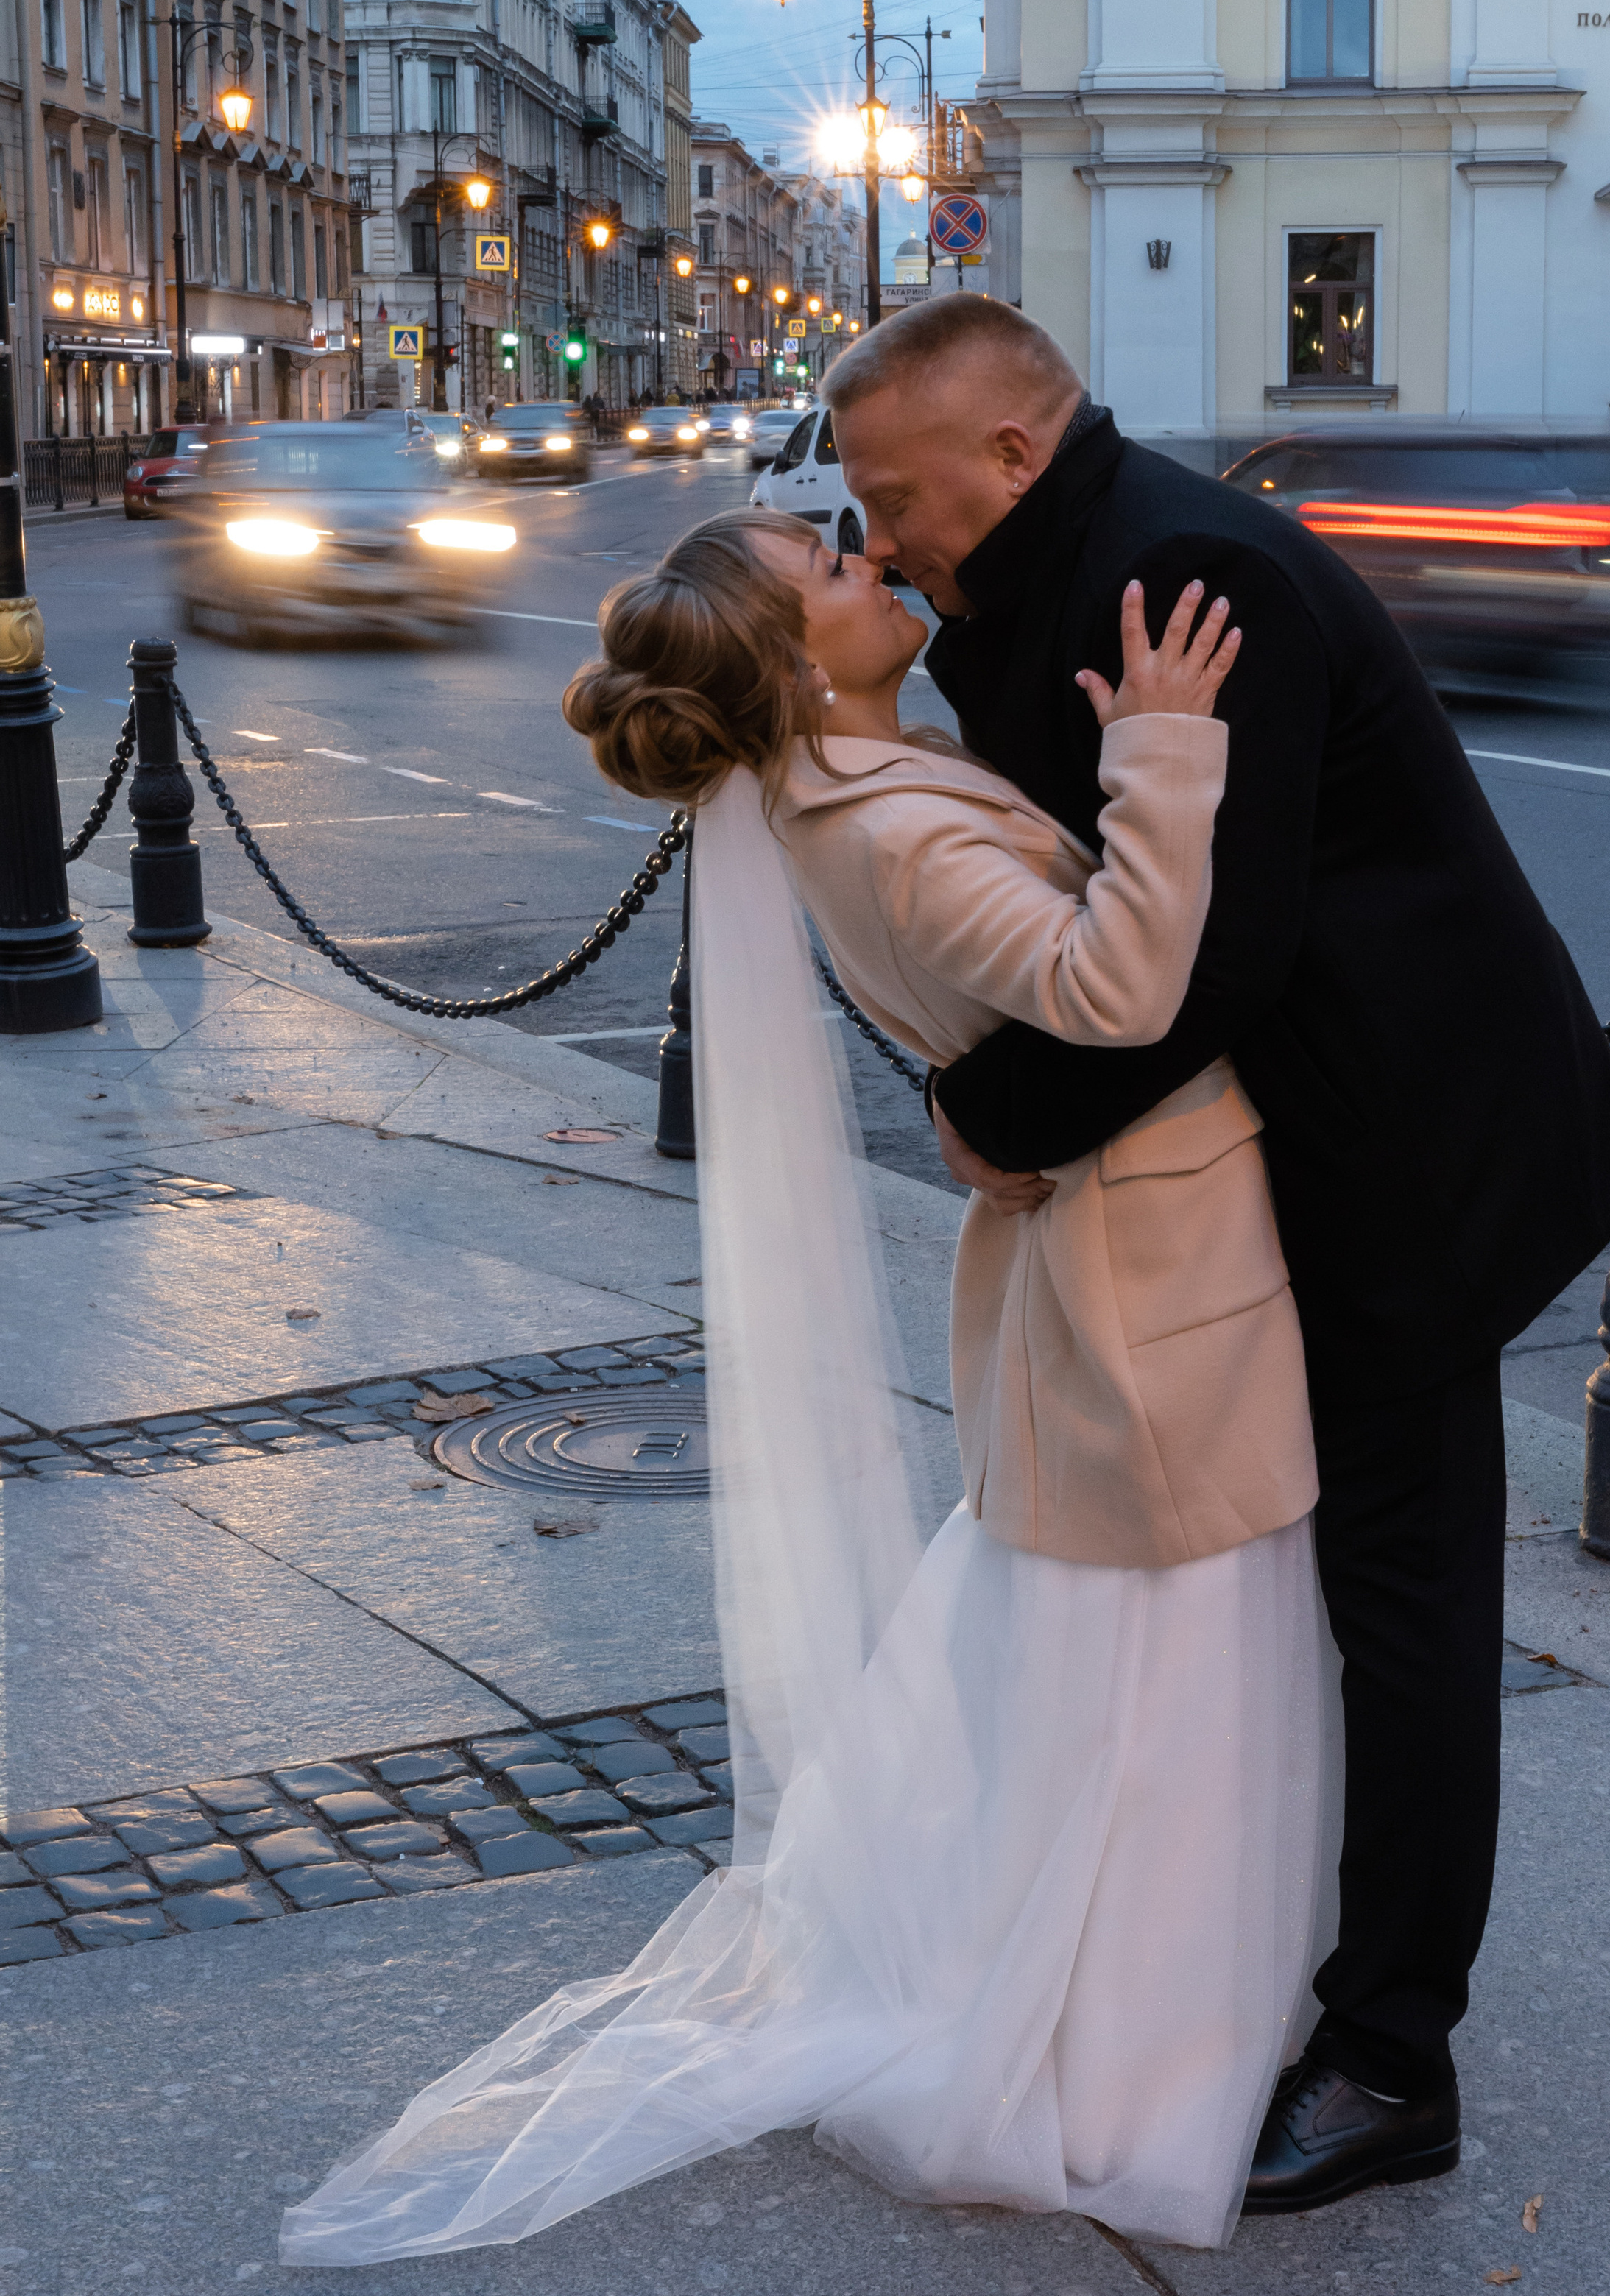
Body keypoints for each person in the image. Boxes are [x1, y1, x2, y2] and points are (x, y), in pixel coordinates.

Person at [281, 512, 1334, 2267]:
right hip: (1152, 1285)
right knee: (1167, 1684)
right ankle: (1118, 2053)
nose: (873, 566)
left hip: (1116, 1271)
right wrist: (1160, 746)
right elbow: (1120, 983)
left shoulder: (854, 785)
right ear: (792, 662)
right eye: (833, 569)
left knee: (1109, 1685)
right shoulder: (892, 828)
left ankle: (1118, 2002)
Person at [826, 296, 1610, 2211]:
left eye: (898, 493)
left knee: (1410, 1614)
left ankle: (1388, 2062)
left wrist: (992, 1125)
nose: (882, 536)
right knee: (1340, 1597)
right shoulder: (1048, 574)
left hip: (1410, 1167)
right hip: (1310, 1160)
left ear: (1012, 455)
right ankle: (1289, 1965)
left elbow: (1208, 952)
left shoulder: (1177, 571)